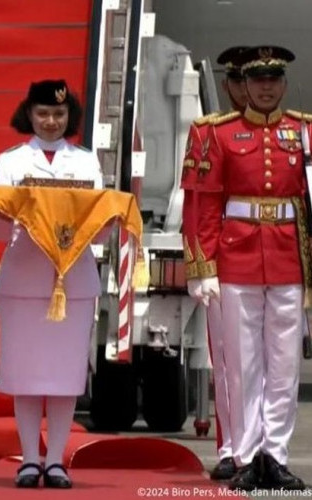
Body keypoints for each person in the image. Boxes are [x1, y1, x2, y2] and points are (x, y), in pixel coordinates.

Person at [197, 45, 306, 491]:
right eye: (258, 80)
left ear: (283, 84)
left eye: (274, 79)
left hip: (288, 256)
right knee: (242, 364)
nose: (266, 87)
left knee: (284, 364)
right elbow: (203, 205)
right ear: (244, 85)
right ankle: (244, 454)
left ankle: (275, 455)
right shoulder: (219, 134)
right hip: (236, 254)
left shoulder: (303, 131)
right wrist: (201, 266)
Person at [0, 80, 104, 489]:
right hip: (24, 274)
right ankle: (29, 458)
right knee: (25, 373)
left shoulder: (87, 162)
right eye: (43, 114)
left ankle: (55, 460)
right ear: (29, 115)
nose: (51, 121)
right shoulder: (12, 161)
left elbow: (101, 230)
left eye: (59, 114)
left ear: (70, 115)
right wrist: (8, 212)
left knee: (63, 373)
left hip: (72, 276)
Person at [182, 46, 248, 481]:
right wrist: (201, 265)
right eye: (241, 81)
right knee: (227, 362)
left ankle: (265, 448)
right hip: (227, 259)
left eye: (262, 80)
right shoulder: (209, 133)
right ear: (227, 86)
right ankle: (230, 446)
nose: (251, 90)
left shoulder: (293, 132)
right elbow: (197, 206)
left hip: (276, 260)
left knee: (273, 364)